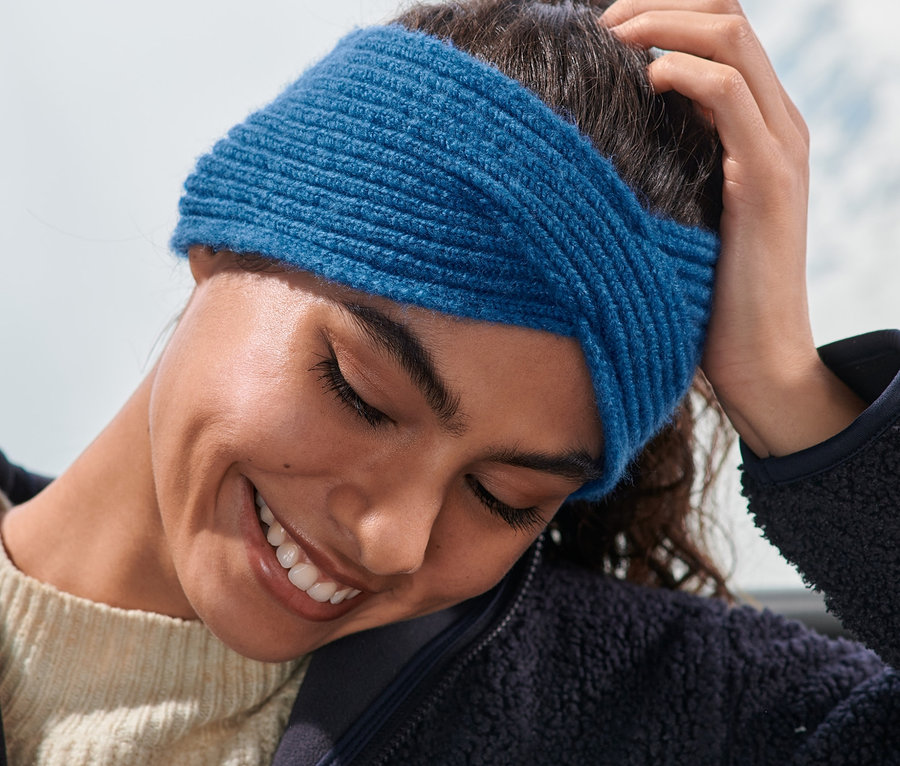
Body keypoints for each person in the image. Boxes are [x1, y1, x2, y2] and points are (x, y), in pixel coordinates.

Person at [1, 0, 898, 763]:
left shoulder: (661, 711)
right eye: (359, 392)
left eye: (504, 496)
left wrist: (797, 405)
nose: (393, 542)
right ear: (225, 238)